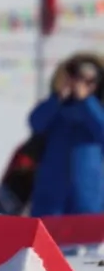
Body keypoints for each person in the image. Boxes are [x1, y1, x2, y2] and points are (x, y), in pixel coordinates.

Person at [27, 56, 104, 217]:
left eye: (88, 81)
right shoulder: (56, 106)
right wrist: (58, 97)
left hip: (87, 198)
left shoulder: (97, 109)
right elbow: (35, 122)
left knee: (86, 239)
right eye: (78, 78)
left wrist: (86, 101)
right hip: (52, 197)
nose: (80, 85)